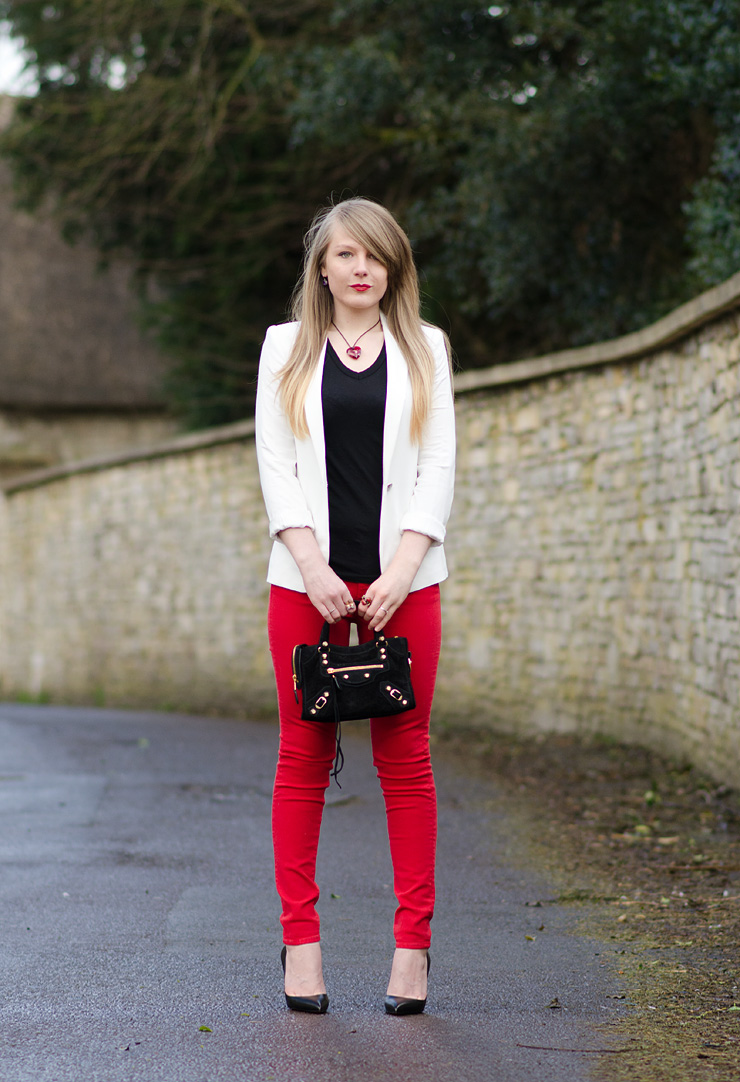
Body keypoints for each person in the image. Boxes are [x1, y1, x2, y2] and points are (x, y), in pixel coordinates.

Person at [255, 196, 455, 1016]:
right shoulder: (283, 350)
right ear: (323, 268)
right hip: (304, 584)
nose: (361, 267)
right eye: (345, 254)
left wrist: (403, 569)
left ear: (393, 266)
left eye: (374, 254)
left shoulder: (428, 349)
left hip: (407, 585)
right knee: (302, 760)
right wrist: (313, 566)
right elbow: (274, 462)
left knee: (405, 761)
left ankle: (413, 954)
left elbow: (438, 463)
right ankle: (300, 946)